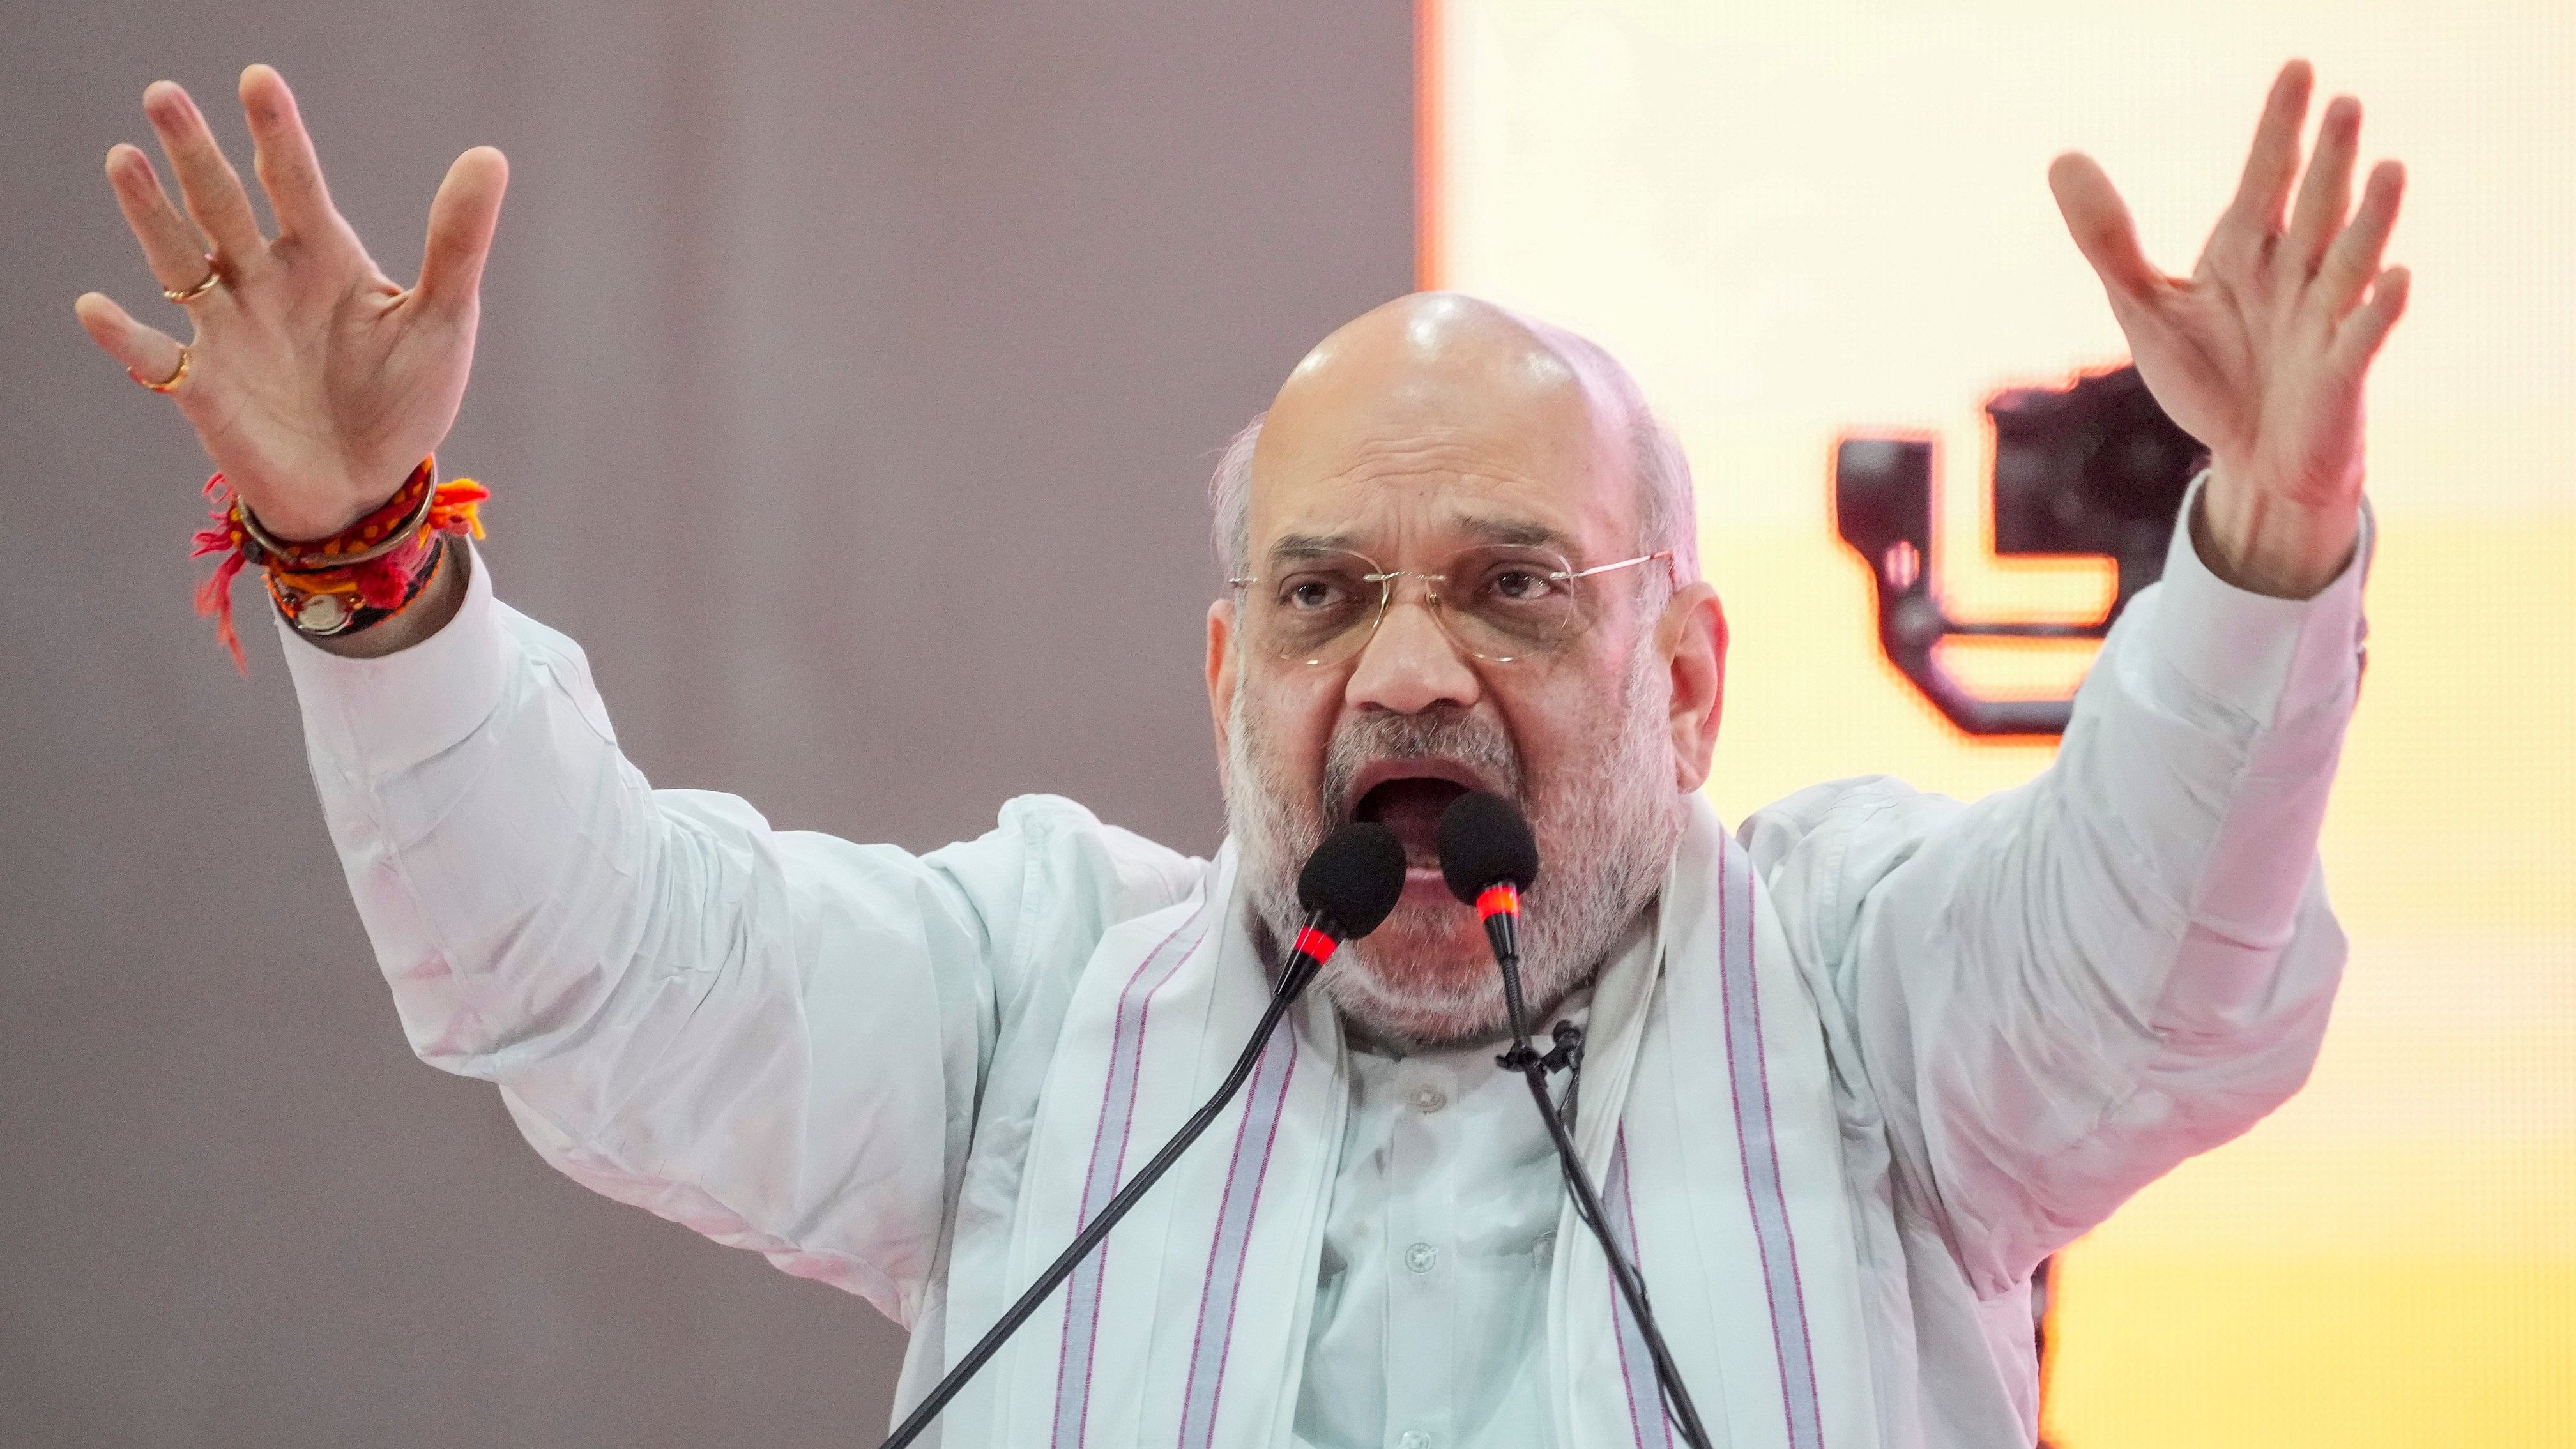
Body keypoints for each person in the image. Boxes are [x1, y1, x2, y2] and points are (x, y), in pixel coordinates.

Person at [75, 57, 2405, 1449]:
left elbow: (2148, 971)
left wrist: (2268, 544)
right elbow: (583, 966)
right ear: (1223, 684)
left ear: (1688, 679)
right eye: (1321, 596)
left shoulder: (1861, 990)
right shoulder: (1023, 1011)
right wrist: (359, 549)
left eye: (1510, 586)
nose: (1402, 672)